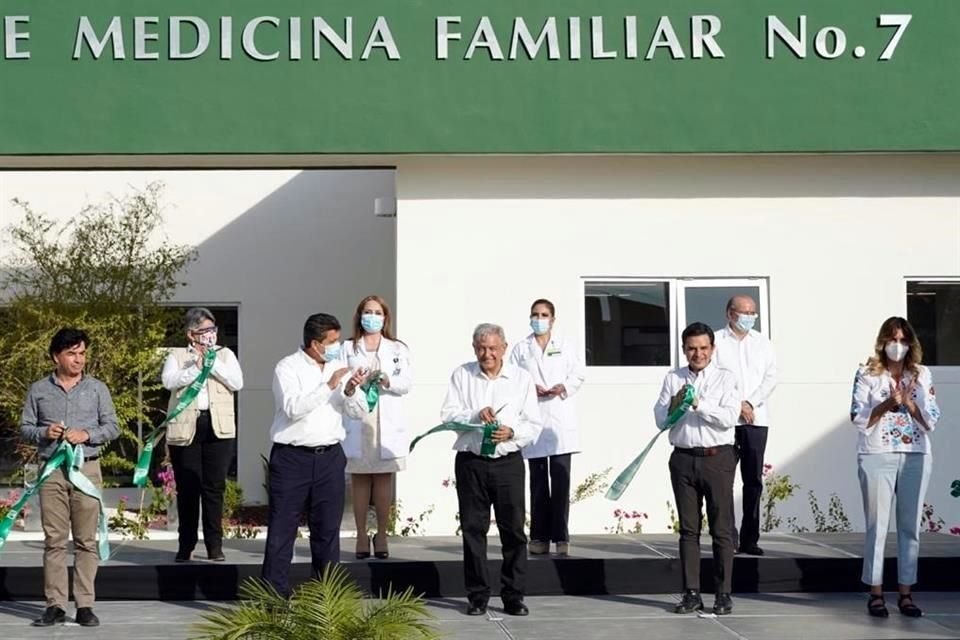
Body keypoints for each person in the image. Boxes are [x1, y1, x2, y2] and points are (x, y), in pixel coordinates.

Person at [261, 313, 369, 597]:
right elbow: (293, 408)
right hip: (291, 458)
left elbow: (359, 412)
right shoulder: (287, 367)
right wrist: (329, 385)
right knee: (282, 532)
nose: (336, 347)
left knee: (327, 533)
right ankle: (275, 599)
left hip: (329, 457)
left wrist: (348, 390)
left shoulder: (339, 367)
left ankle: (325, 599)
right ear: (315, 343)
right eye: (332, 342)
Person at [20, 328, 120, 628]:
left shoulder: (97, 389)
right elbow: (25, 427)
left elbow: (112, 426)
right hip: (51, 470)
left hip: (86, 469)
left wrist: (87, 434)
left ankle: (85, 604)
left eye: (82, 353)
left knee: (86, 540)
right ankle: (55, 605)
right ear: (56, 356)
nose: (79, 359)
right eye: (72, 353)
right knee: (54, 540)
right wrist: (43, 433)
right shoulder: (38, 389)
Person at [441, 323, 542, 617]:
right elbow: (448, 416)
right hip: (471, 462)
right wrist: (474, 414)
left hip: (508, 463)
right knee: (473, 530)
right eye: (482, 348)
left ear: (504, 348)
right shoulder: (462, 375)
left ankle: (513, 595)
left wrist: (512, 432)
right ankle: (477, 596)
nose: (488, 354)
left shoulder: (521, 379)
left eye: (493, 348)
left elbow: (533, 424)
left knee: (513, 531)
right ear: (474, 348)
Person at [850, 316, 940, 619]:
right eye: (892, 340)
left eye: (903, 340)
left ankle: (906, 592)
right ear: (882, 342)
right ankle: (875, 592)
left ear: (910, 343)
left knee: (909, 526)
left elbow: (932, 419)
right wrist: (888, 403)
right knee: (878, 525)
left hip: (915, 453)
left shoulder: (922, 374)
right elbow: (858, 418)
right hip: (877, 453)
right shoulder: (867, 374)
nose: (897, 346)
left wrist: (911, 403)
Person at [654, 322, 739, 616]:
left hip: (717, 458)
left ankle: (723, 592)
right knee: (689, 530)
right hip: (683, 458)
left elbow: (729, 417)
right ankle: (691, 592)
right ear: (683, 349)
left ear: (712, 349)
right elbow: (660, 418)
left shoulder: (725, 378)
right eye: (692, 348)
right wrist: (676, 406)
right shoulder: (673, 377)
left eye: (703, 348)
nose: (698, 353)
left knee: (721, 528)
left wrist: (698, 404)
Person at [161, 307, 244, 562]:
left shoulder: (226, 355)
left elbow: (237, 382)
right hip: (187, 428)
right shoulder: (176, 356)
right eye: (204, 331)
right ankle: (185, 544)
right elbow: (169, 381)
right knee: (188, 488)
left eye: (213, 330)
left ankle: (214, 545)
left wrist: (212, 363)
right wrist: (196, 368)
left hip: (218, 428)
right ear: (191, 334)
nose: (210, 335)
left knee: (214, 487)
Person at [509, 298, 585, 557]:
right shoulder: (521, 349)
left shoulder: (565, 346)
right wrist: (531, 389)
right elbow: (513, 380)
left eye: (544, 315)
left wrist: (563, 387)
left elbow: (578, 374)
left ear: (553, 319)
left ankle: (561, 537)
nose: (539, 319)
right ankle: (539, 536)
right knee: (538, 483)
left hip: (560, 420)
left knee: (561, 480)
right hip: (534, 418)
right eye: (535, 315)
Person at [343, 295, 412, 560]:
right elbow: (336, 377)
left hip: (386, 417)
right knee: (360, 480)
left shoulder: (397, 348)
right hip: (358, 417)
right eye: (367, 311)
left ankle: (382, 535)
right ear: (360, 316)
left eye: (377, 312)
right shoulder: (348, 347)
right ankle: (361, 535)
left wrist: (386, 380)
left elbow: (406, 382)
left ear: (385, 318)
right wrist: (354, 381)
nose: (372, 316)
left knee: (383, 480)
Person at [714, 295, 777, 556]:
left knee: (753, 481)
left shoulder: (763, 343)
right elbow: (713, 377)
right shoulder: (716, 341)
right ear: (730, 314)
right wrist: (736, 404)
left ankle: (750, 538)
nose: (749, 317)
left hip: (756, 421)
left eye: (753, 312)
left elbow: (772, 377)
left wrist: (750, 402)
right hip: (726, 421)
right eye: (744, 312)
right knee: (723, 480)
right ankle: (728, 536)